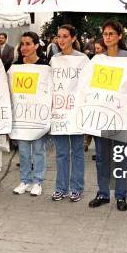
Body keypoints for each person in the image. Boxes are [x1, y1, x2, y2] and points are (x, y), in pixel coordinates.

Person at [89, 20, 127, 212]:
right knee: (102, 157)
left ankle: (121, 195)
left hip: (121, 116)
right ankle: (103, 193)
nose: (107, 37)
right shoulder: (98, 59)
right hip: (101, 115)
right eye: (105, 34)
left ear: (119, 36)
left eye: (111, 33)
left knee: (120, 157)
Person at [50, 25, 88, 202]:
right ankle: (61, 187)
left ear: (73, 38)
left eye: (65, 36)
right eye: (59, 37)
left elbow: (88, 86)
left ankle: (77, 188)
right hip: (59, 113)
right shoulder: (54, 60)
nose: (61, 40)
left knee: (77, 152)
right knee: (61, 153)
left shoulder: (83, 60)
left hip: (76, 113)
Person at [11, 32, 49, 196]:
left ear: (36, 46)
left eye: (28, 44)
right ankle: (25, 180)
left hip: (37, 117)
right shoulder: (15, 66)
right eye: (22, 44)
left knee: (39, 150)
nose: (24, 47)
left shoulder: (45, 66)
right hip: (21, 117)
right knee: (24, 151)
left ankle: (38, 182)